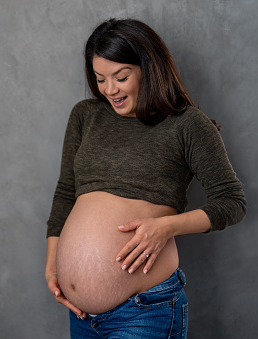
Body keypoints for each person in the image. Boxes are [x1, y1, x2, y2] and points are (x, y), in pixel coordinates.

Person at [45, 18, 246, 339]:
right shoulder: (85, 116)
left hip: (145, 310)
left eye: (121, 77)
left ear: (148, 68)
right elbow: (66, 194)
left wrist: (166, 227)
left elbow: (232, 203)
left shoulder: (187, 125)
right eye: (100, 79)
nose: (110, 89)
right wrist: (54, 264)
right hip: (82, 317)